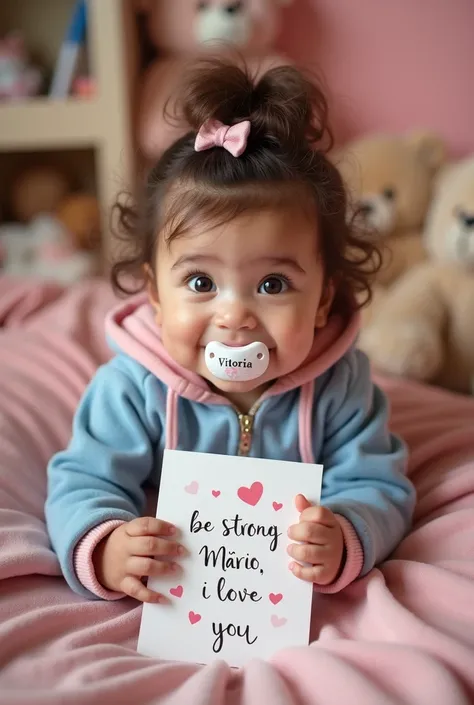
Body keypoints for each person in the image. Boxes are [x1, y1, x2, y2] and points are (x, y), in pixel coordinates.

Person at [45, 58, 415, 603]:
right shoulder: (131, 389)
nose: (234, 314)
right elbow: (83, 480)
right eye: (199, 281)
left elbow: (378, 485)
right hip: (182, 589)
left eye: (272, 284)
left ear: (322, 300)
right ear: (154, 296)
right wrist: (105, 545)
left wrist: (346, 532)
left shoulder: (341, 387)